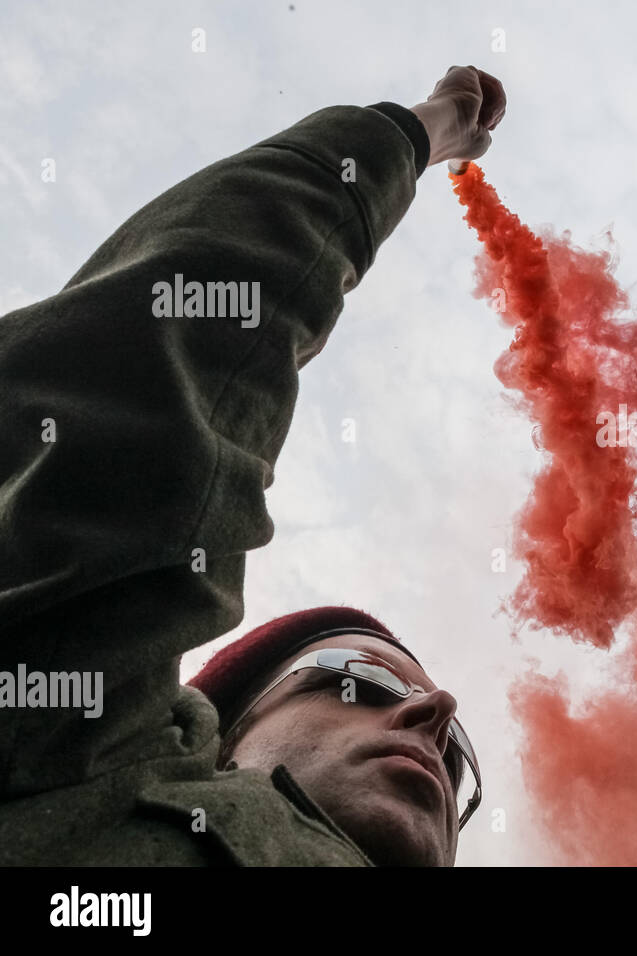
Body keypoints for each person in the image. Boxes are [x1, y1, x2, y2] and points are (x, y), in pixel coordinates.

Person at [0, 65, 506, 866]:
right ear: (224, 736)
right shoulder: (79, 762)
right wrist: (408, 138)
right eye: (356, 683)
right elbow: (146, 378)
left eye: (461, 766)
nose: (438, 715)